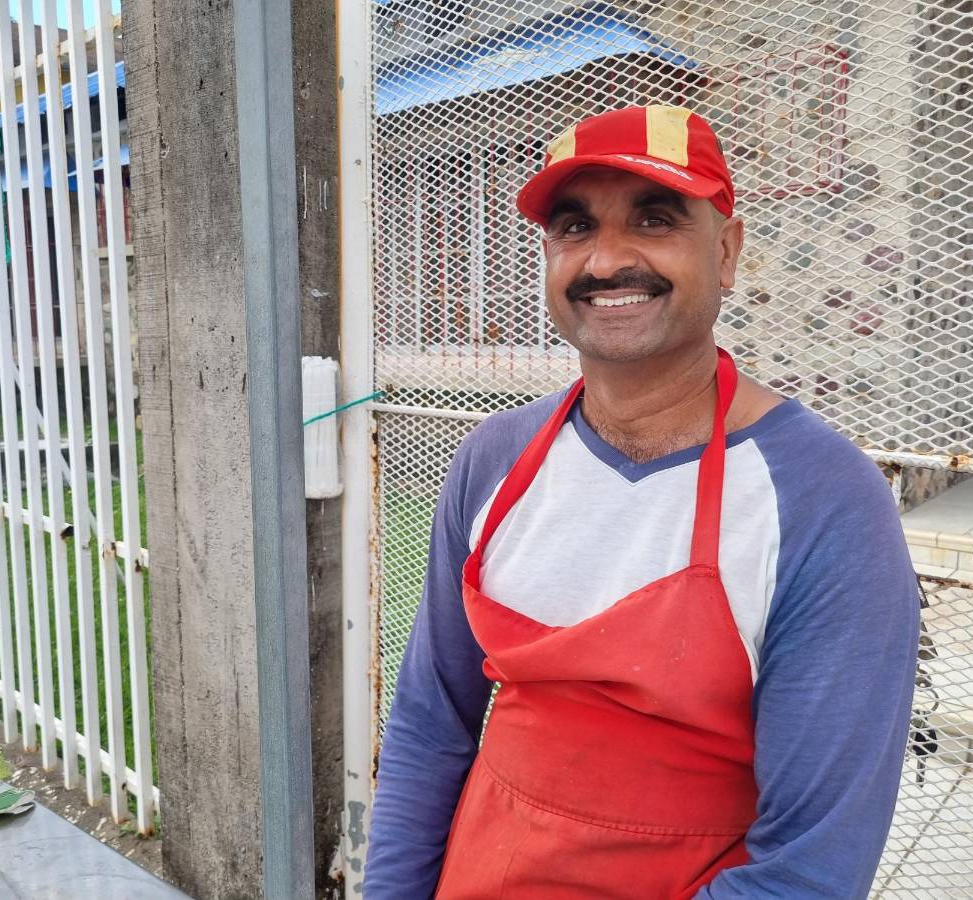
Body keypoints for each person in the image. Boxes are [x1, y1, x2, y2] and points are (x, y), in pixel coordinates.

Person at [363, 104, 920, 899]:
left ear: (725, 251)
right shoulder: (494, 458)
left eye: (654, 219)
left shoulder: (824, 503)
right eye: (574, 225)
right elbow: (430, 722)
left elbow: (810, 866)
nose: (605, 260)